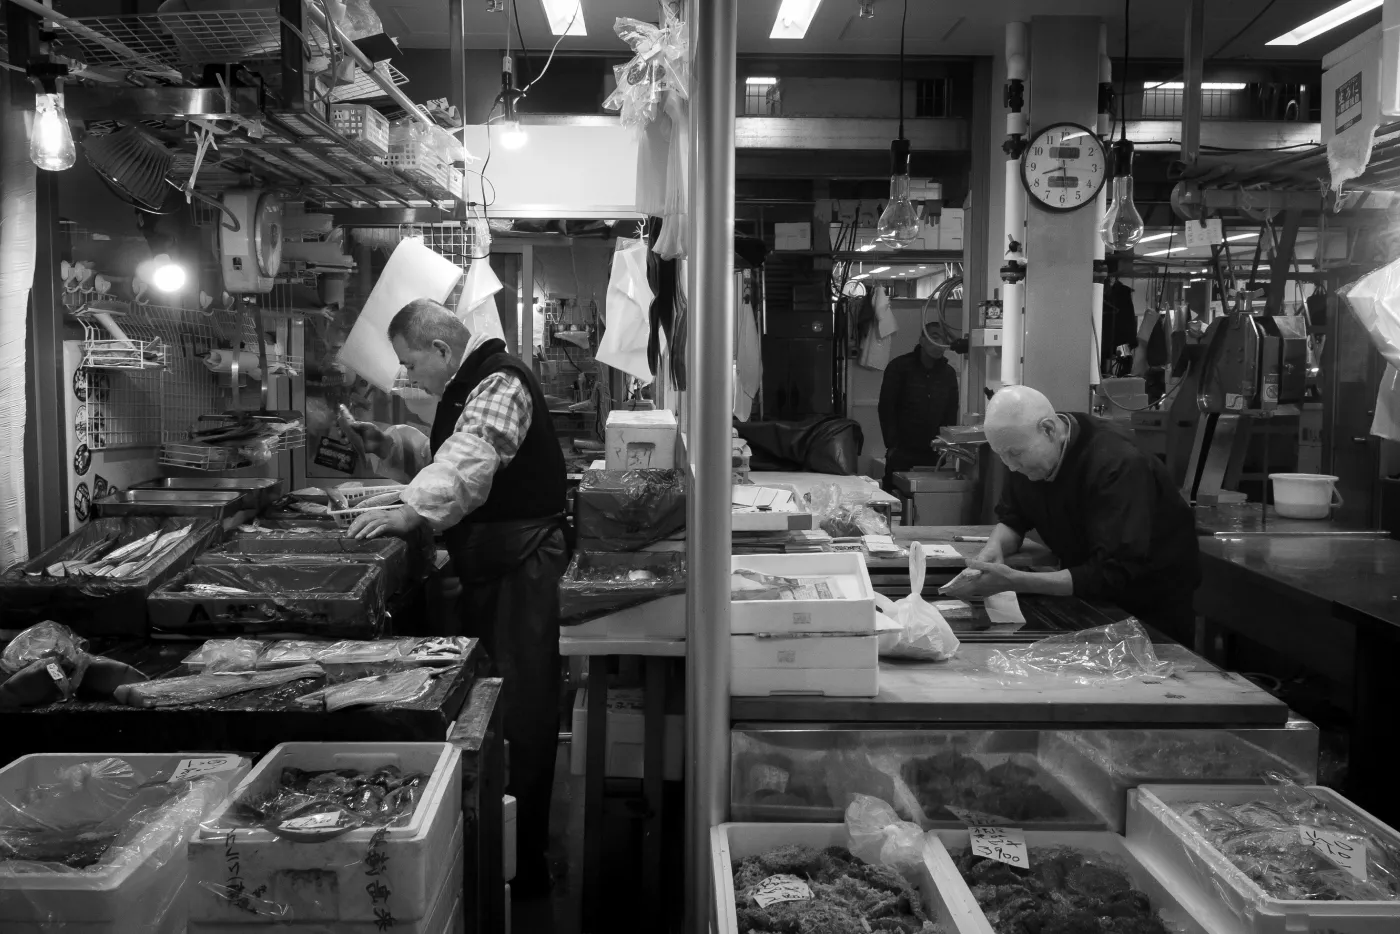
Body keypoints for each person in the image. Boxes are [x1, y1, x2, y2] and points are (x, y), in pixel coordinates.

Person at [340, 298, 568, 897]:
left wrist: (410, 512)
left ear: (442, 350)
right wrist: (389, 444)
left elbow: (471, 462)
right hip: (492, 565)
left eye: (412, 363)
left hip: (522, 568)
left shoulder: (500, 383)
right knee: (489, 709)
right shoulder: (466, 387)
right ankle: (488, 843)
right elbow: (446, 449)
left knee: (524, 710)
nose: (410, 376)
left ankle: (528, 859)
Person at [942, 384, 1200, 642]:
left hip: (1149, 611)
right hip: (1088, 598)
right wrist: (994, 549)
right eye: (1002, 456)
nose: (1010, 465)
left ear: (1049, 430)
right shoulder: (1027, 448)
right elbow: (1014, 518)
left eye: (1015, 454)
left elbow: (1113, 573)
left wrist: (1014, 581)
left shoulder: (1117, 464)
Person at [877, 324, 960, 491]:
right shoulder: (899, 367)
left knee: (928, 501)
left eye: (944, 339)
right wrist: (892, 445)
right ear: (922, 340)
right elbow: (886, 408)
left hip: (934, 451)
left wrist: (947, 444)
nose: (939, 343)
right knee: (896, 499)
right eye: (934, 337)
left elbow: (951, 411)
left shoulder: (948, 374)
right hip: (902, 451)